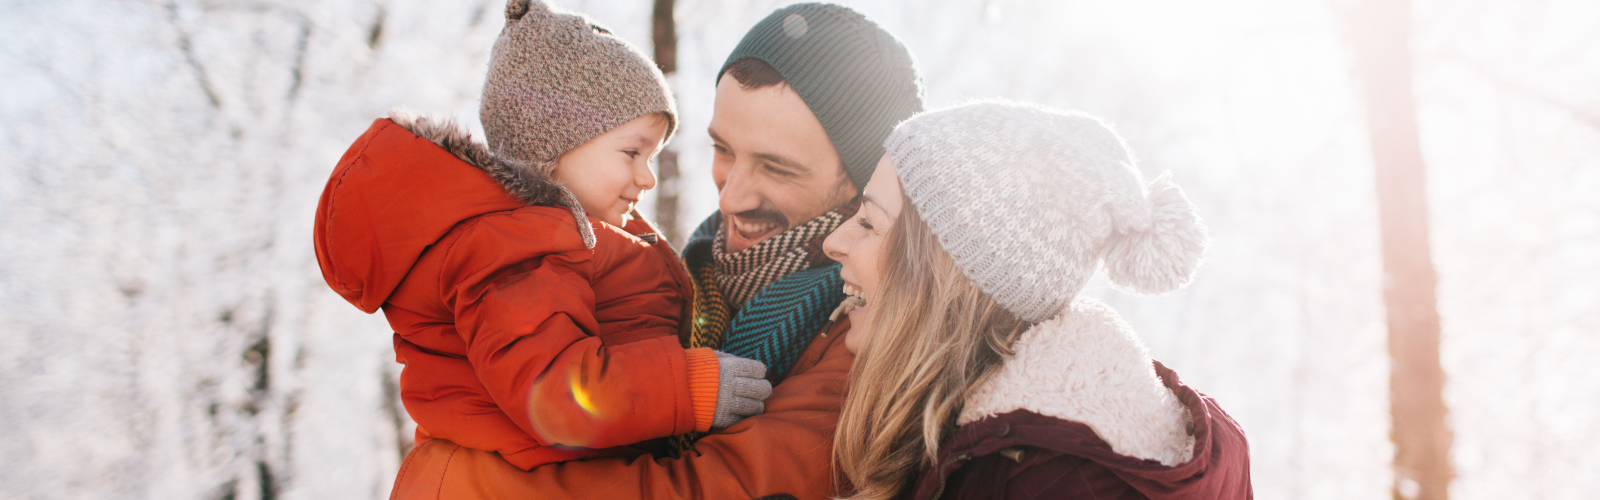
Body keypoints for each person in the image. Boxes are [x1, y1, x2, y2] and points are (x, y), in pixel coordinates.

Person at [385, 3, 927, 499]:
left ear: (863, 184)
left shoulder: (867, 331)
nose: (732, 195)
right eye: (722, 150)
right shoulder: (687, 275)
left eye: (778, 168)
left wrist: (453, 479)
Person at [312, 0, 773, 481]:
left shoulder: (561, 236)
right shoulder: (514, 250)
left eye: (653, 157)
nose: (647, 178)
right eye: (633, 152)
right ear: (554, 144)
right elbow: (555, 391)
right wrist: (689, 387)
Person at [823, 101, 1254, 499]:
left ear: (945, 277)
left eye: (868, 223)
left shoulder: (1042, 482)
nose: (833, 241)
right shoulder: (986, 449)